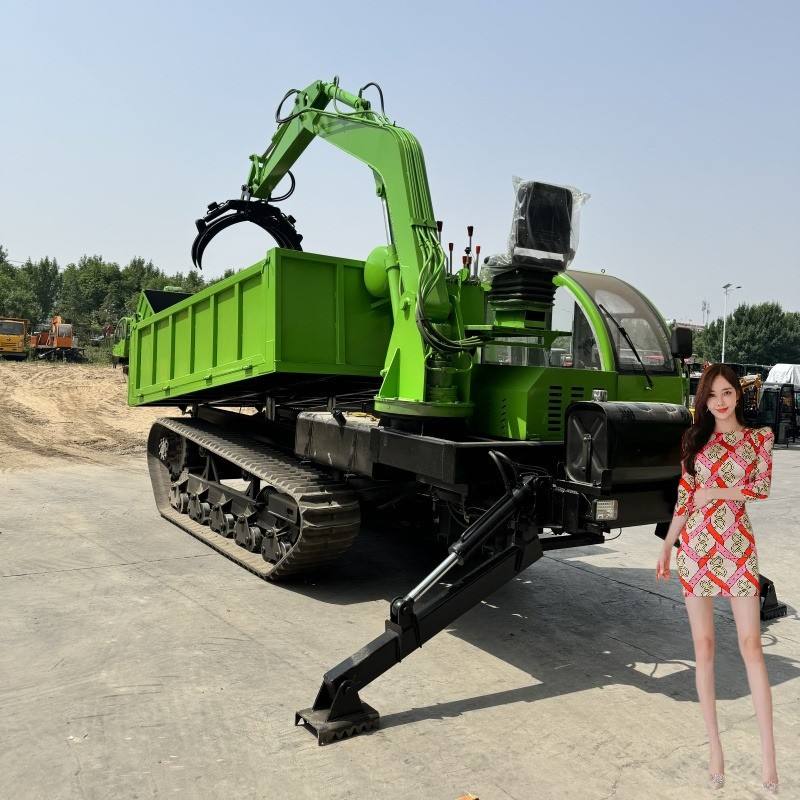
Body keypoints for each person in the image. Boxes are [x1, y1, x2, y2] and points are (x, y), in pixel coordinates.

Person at [655, 363, 778, 793]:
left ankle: (769, 758)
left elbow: (761, 488)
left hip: (738, 548)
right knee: (703, 647)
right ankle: (715, 750)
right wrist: (668, 545)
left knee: (751, 646)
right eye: (712, 395)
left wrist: (718, 491)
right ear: (703, 401)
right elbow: (685, 498)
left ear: (738, 395)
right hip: (696, 549)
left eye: (726, 392)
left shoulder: (759, 438)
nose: (720, 401)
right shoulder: (693, 439)